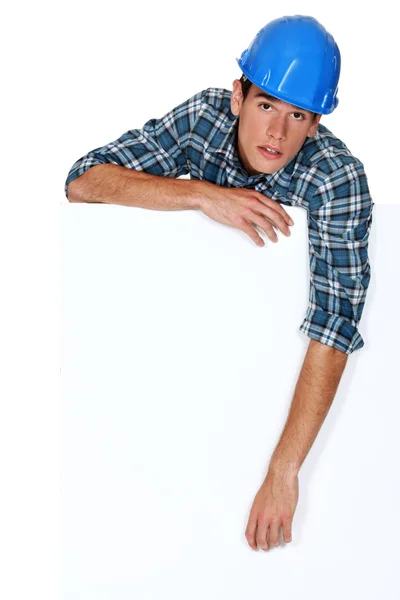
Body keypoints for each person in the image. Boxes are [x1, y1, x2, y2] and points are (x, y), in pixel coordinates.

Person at [64, 15, 374, 553]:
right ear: (238, 96)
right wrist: (202, 194)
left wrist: (284, 472)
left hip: (265, 387)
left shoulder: (336, 179)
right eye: (265, 105)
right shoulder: (204, 119)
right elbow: (83, 182)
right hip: (183, 380)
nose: (277, 132)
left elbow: (335, 323)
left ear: (316, 124)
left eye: (297, 115)